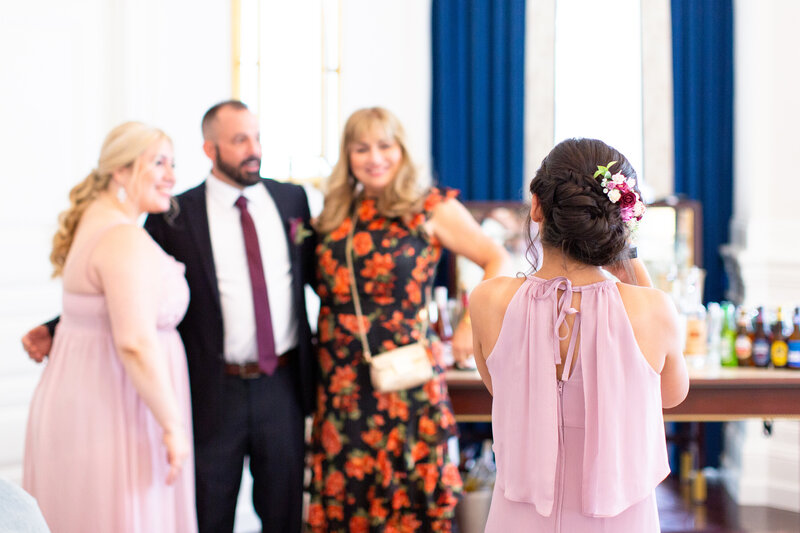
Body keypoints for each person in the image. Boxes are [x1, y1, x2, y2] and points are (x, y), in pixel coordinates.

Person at [22, 101, 317, 533]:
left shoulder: (292, 199)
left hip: (283, 386)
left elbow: (318, 276)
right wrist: (59, 326)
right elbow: (121, 289)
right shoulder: (173, 214)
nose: (253, 149)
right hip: (212, 391)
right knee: (208, 512)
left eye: (257, 138)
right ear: (210, 149)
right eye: (239, 140)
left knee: (285, 513)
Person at [469, 138, 690, 532]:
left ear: (537, 206)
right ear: (620, 222)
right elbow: (670, 395)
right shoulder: (653, 310)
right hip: (618, 521)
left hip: (517, 518)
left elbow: (497, 387)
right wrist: (629, 262)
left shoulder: (487, 300)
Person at [306, 107, 510, 532]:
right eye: (362, 148)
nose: (374, 157)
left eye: (385, 146)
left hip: (408, 380)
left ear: (401, 151)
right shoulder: (334, 211)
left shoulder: (430, 208)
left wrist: (471, 328)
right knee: (348, 498)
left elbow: (496, 258)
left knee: (410, 499)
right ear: (348, 155)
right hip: (342, 381)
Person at [22, 122, 196, 532]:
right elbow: (134, 341)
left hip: (86, 406)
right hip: (117, 415)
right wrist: (173, 426)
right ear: (120, 170)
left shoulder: (96, 222)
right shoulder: (123, 237)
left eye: (173, 163)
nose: (171, 175)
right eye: (158, 162)